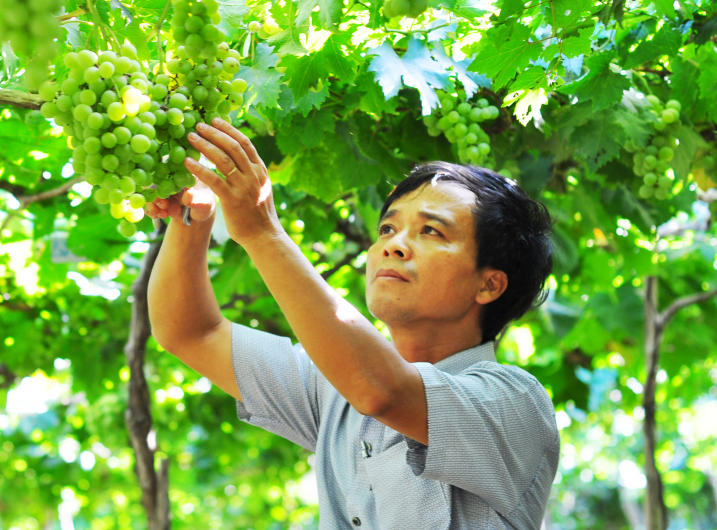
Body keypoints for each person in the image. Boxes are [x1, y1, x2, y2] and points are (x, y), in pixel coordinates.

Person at [145, 116, 559, 530]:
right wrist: (190, 219)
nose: (393, 246)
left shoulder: (517, 404)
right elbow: (191, 332)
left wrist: (263, 232)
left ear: (489, 284)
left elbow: (382, 391)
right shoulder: (331, 386)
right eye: (387, 228)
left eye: (431, 231)